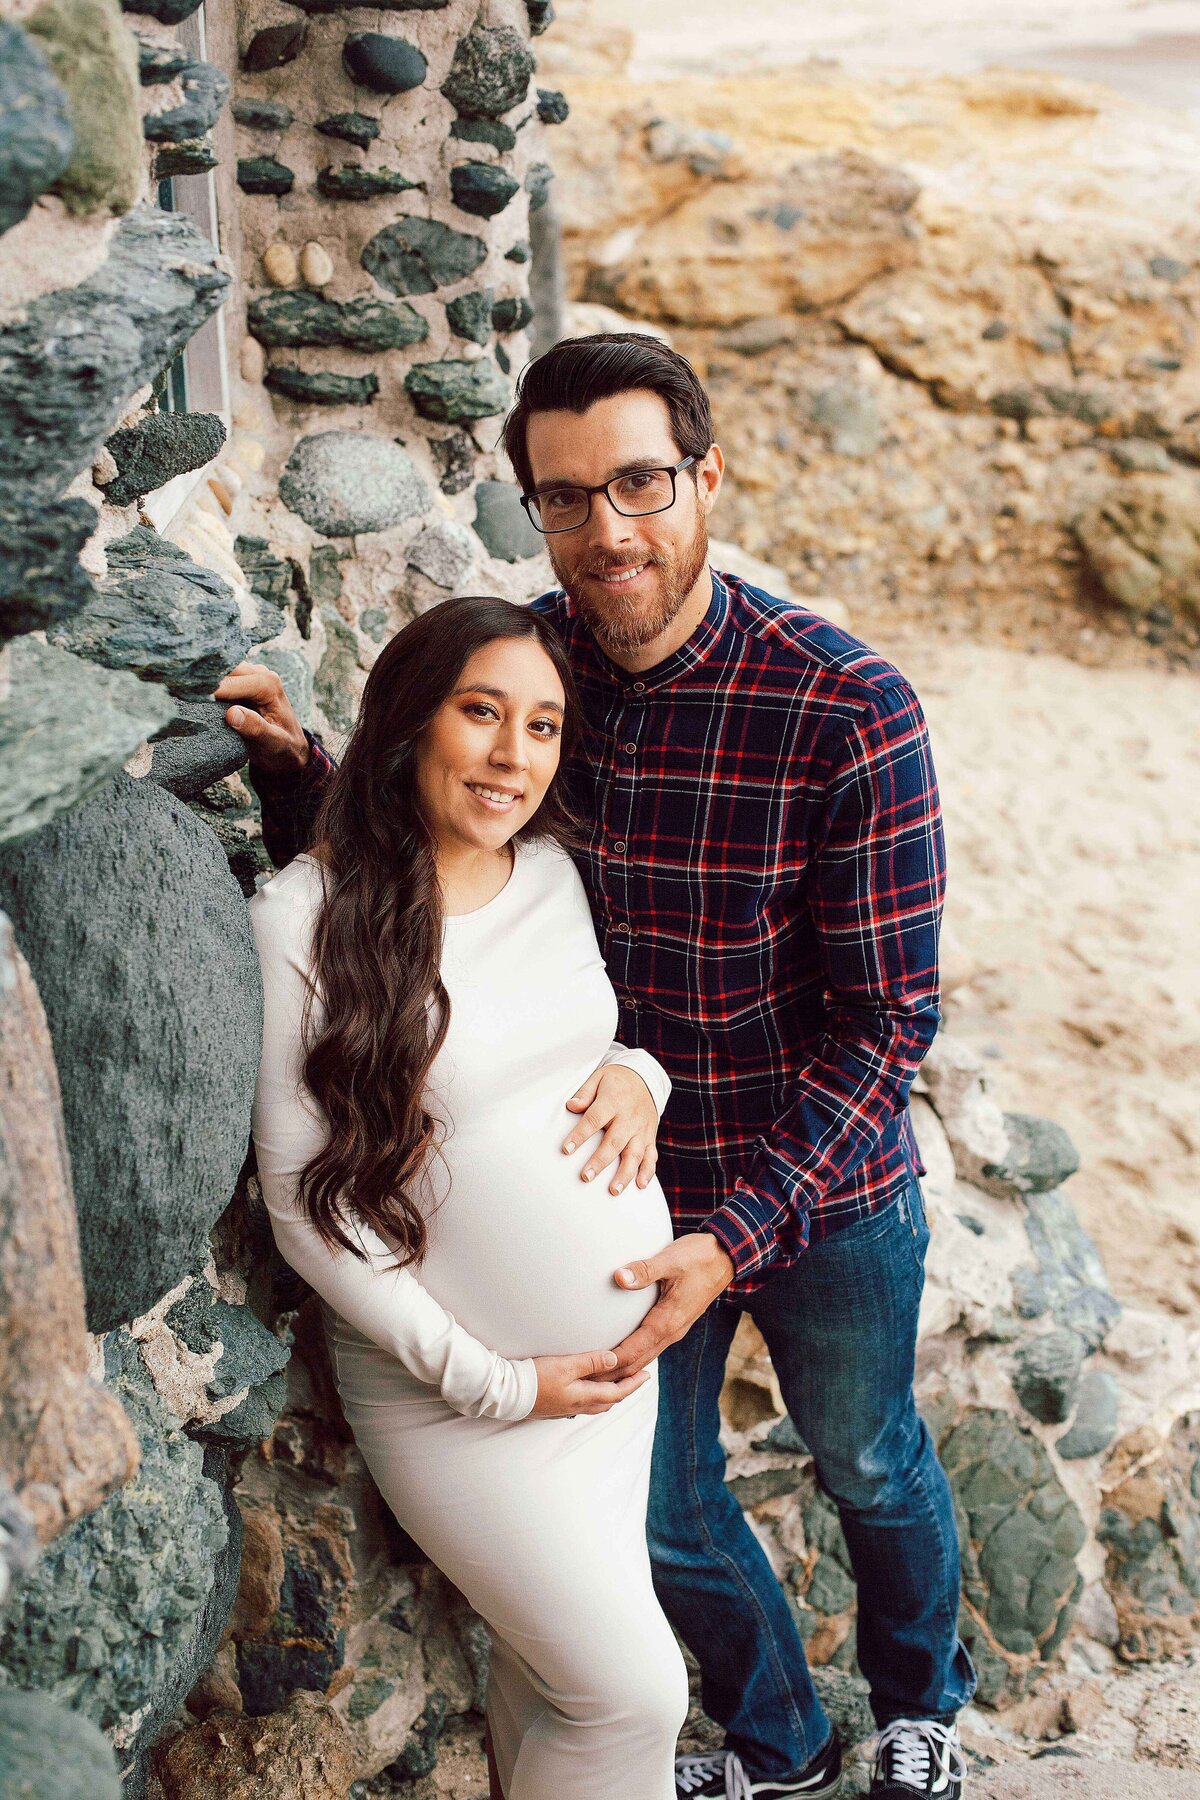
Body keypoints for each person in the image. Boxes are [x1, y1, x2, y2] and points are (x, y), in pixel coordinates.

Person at [221, 333, 976, 1800]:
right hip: (630, 1194)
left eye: (640, 484)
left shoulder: (845, 706)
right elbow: (452, 829)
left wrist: (739, 1236)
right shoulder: (544, 670)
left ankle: (919, 1710)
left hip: (818, 1188)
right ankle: (781, 1746)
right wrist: (301, 782)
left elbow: (888, 1028)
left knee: (871, 1458)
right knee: (676, 1511)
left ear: (706, 477)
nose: (607, 530)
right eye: (566, 499)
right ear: (534, 510)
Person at [246, 595, 690, 1800]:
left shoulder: (550, 871)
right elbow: (302, 1206)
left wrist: (642, 1077)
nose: (513, 757)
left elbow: (587, 1041)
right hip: (462, 1404)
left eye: (542, 727)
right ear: (409, 722)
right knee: (637, 1693)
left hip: (608, 1393)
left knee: (556, 1688)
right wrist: (496, 1382)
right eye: (481, 713)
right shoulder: (301, 917)